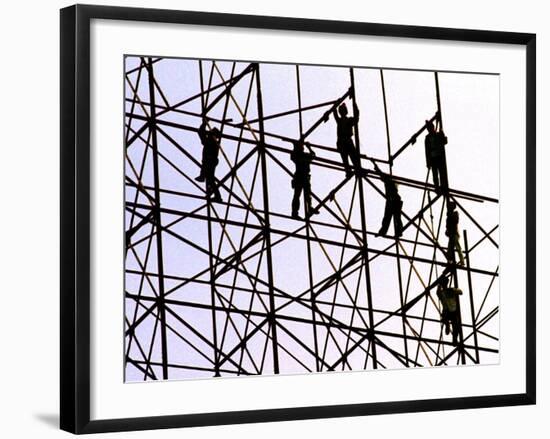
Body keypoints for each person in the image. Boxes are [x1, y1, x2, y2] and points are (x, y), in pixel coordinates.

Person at [330, 99, 362, 178]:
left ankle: (354, 170)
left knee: (351, 158)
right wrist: (337, 104)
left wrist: (354, 104)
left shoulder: (346, 120)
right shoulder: (341, 120)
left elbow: (356, 117)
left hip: (344, 141)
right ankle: (352, 171)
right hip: (343, 141)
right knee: (349, 158)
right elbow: (334, 112)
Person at [195, 119, 222, 202]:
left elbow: (201, 133)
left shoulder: (211, 141)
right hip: (210, 160)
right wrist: (204, 124)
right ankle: (203, 177)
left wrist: (204, 124)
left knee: (210, 178)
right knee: (210, 178)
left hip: (210, 160)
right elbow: (201, 133)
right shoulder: (212, 141)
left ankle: (217, 196)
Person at [290, 139, 318, 220]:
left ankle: (309, 208)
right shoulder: (298, 155)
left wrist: (309, 147)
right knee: (298, 195)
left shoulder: (303, 155)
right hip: (300, 176)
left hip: (304, 177)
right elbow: (312, 155)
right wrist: (308, 147)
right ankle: (295, 212)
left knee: (307, 194)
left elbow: (313, 156)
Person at [424, 118, 449, 195]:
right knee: (435, 175)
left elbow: (445, 141)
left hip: (439, 157)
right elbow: (427, 151)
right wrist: (428, 162)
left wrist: (442, 134)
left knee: (441, 173)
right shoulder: (427, 138)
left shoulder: (438, 135)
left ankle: (443, 187)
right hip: (433, 158)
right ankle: (437, 188)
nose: (430, 130)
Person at [376, 170, 403, 238]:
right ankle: (398, 231)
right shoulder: (390, 181)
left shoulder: (389, 181)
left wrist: (376, 168)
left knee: (391, 218)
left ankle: (396, 231)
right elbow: (382, 175)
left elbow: (382, 174)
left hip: (393, 200)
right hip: (393, 200)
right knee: (394, 218)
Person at [436, 276, 462, 346]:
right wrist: (453, 289)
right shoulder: (445, 292)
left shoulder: (444, 292)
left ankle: (454, 338)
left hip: (450, 311)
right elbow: (460, 292)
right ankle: (453, 335)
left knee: (455, 324)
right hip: (450, 311)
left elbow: (460, 292)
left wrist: (439, 284)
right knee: (454, 324)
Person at [446, 200, 465, 265]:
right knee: (449, 249)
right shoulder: (448, 217)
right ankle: (450, 261)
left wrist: (450, 215)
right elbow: (447, 226)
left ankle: (462, 261)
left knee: (457, 247)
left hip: (455, 233)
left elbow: (455, 221)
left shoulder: (455, 213)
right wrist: (447, 231)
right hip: (451, 234)